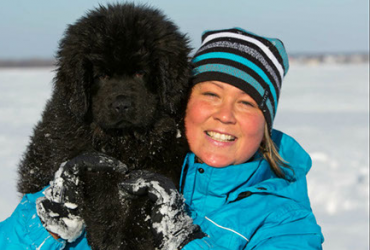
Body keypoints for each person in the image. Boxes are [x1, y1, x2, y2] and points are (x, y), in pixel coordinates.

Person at [0, 27, 324, 249]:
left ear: (265, 122)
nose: (225, 115)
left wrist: (185, 241)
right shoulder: (126, 165)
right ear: (183, 101)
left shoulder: (283, 219)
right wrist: (46, 221)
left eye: (247, 102)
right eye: (211, 94)